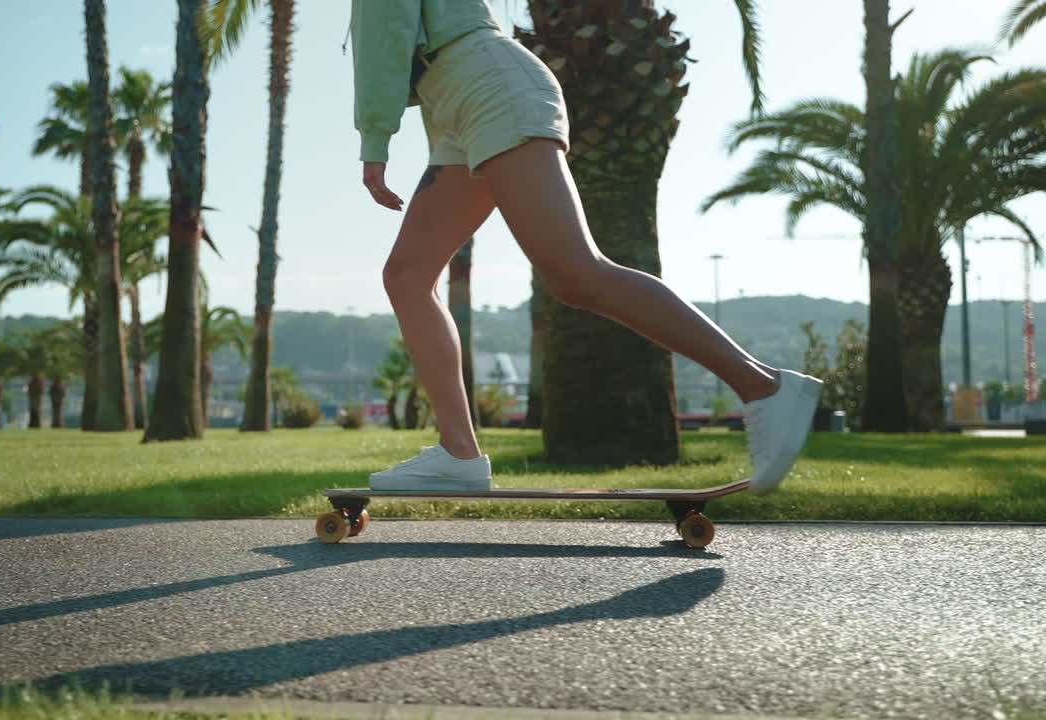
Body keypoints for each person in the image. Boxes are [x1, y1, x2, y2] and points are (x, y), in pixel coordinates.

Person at [349, 0, 822, 496]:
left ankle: (764, 386)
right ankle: (458, 453)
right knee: (407, 277)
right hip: (456, 102)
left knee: (576, 272)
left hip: (488, 87)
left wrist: (374, 141)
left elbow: (388, 33)